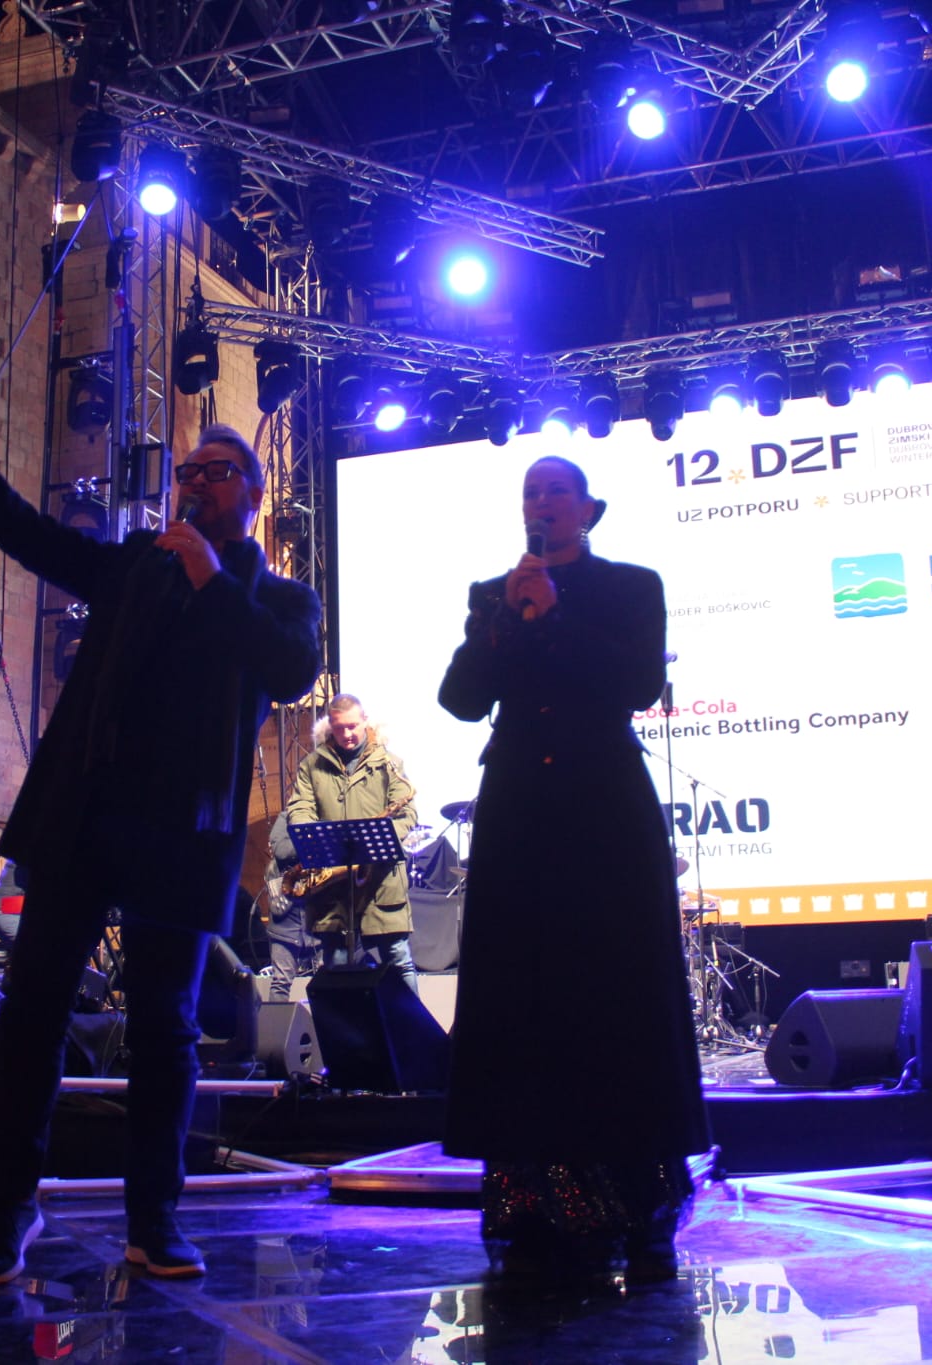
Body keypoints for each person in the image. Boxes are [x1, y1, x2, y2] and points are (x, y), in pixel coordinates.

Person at [0, 388, 321, 1289]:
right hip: (85, 814)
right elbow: (33, 539)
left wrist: (211, 578)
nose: (196, 481)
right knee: (34, 1011)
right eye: (188, 470)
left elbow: (288, 671)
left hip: (184, 832)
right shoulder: (134, 567)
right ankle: (10, 1205)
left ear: (253, 494)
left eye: (218, 470)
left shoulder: (281, 598)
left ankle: (154, 1217)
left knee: (164, 1028)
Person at [437, 455, 709, 1283]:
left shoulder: (632, 585)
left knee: (617, 993)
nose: (542, 501)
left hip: (604, 808)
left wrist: (555, 616)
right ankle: (536, 1207)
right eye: (531, 490)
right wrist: (505, 621)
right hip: (521, 809)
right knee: (527, 999)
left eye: (557, 490)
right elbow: (460, 698)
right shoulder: (494, 593)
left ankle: (642, 1208)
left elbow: (637, 683)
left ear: (588, 509)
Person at [283, 695, 421, 993]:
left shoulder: (390, 763)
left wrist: (376, 841)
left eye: (352, 726)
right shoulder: (311, 766)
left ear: (365, 721)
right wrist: (317, 838)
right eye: (339, 728)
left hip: (380, 881)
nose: (346, 734)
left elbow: (407, 814)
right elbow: (300, 809)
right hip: (333, 888)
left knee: (398, 959)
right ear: (329, 726)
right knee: (336, 964)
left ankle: (412, 1023)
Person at [263, 811, 319, 1001]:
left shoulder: (328, 813)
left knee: (326, 981)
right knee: (280, 982)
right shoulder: (286, 817)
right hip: (286, 919)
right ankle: (277, 1022)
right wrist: (314, 841)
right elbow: (282, 851)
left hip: (319, 919)